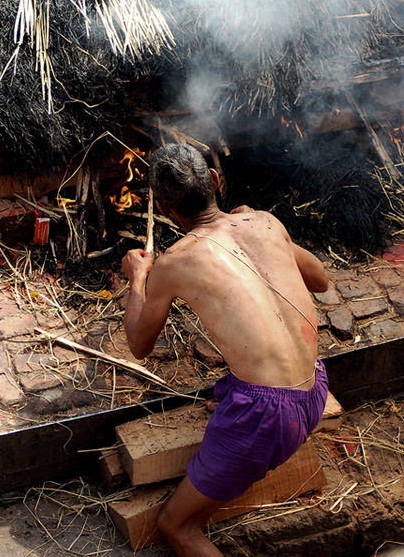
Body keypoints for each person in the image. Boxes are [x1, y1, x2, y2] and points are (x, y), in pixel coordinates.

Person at [121, 143, 329, 557]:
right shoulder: (265, 222)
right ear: (216, 181)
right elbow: (321, 280)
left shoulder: (174, 262)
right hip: (316, 389)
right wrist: (263, 230)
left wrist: (137, 278)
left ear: (163, 209)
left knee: (175, 525)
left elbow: (139, 345)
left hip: (267, 418)